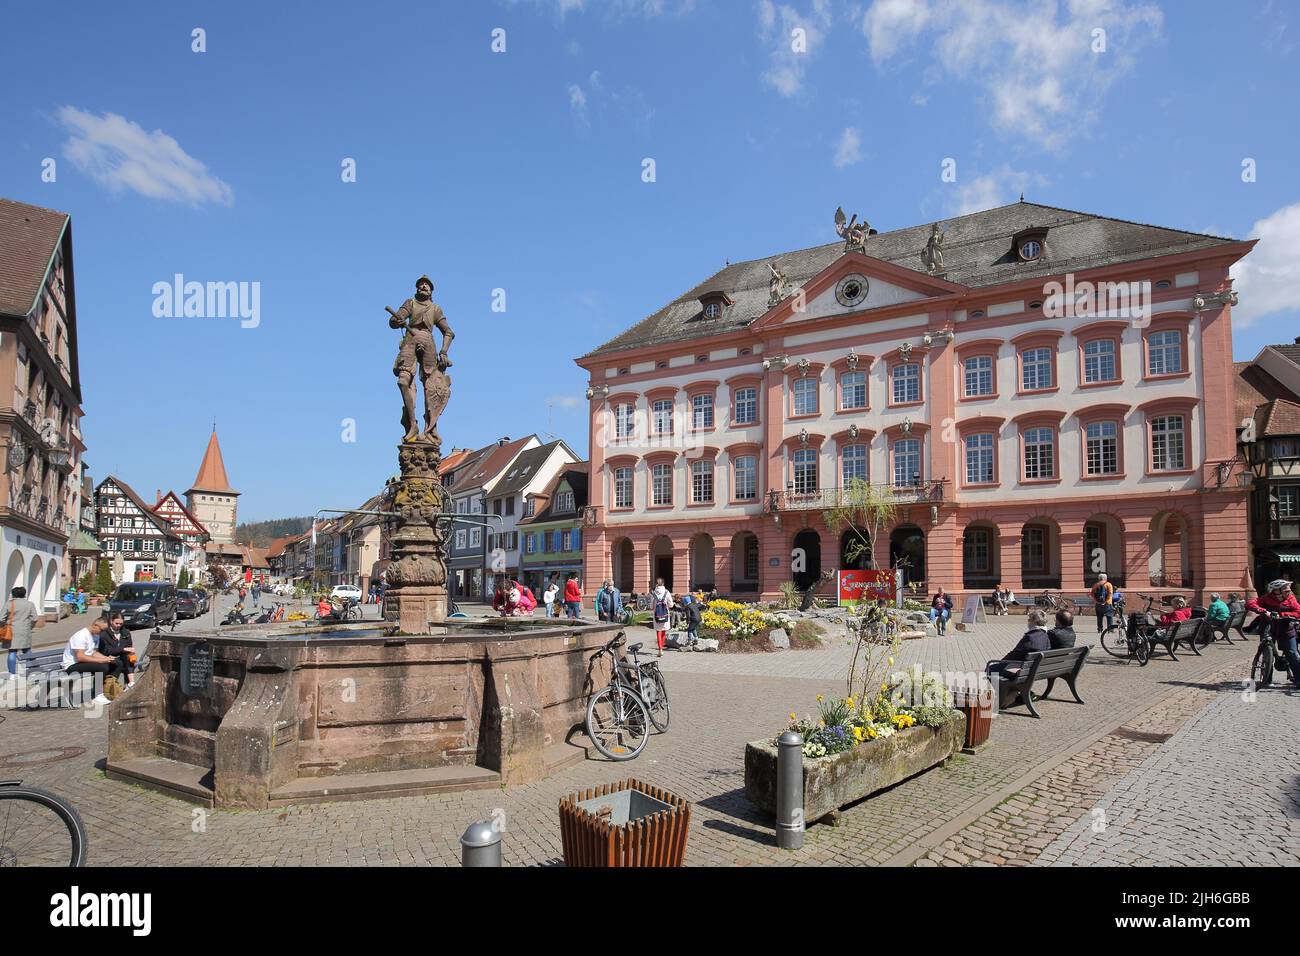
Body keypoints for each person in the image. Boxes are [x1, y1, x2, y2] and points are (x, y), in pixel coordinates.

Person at [1246, 580, 1300, 686]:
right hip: (1268, 628)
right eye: (1286, 590)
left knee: (1293, 653)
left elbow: (1298, 611)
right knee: (1267, 653)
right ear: (1277, 591)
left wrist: (1282, 614)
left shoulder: (1291, 599)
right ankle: (1267, 680)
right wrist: (1262, 610)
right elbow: (1250, 603)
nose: (1289, 592)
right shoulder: (1266, 598)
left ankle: (1298, 679)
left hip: (1286, 630)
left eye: (1289, 590)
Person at [986, 609, 1052, 693]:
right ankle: (1011, 693)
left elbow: (1014, 654)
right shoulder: (1045, 635)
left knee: (990, 668)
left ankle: (1003, 695)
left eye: (1029, 619)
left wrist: (1001, 662)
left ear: (1034, 622)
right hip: (1036, 669)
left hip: (1023, 671)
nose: (1028, 622)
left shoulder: (1030, 637)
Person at [61, 617, 121, 706]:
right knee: (101, 666)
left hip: (83, 663)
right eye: (101, 630)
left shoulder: (95, 635)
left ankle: (109, 689)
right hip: (72, 665)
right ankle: (97, 695)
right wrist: (102, 660)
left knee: (117, 663)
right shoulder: (81, 635)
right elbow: (80, 657)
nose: (102, 633)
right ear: (94, 625)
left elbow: (93, 652)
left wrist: (107, 658)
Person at [0, 586, 38, 684]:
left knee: (12, 651)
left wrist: (3, 626)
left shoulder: (9, 604)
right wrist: (29, 626)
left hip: (11, 630)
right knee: (27, 650)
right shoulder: (30, 604)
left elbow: (1, 618)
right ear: (24, 594)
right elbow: (35, 618)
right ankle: (32, 671)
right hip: (25, 630)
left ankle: (12, 674)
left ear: (13, 594)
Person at [98, 611, 136, 687]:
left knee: (129, 658)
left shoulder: (125, 632)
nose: (119, 625)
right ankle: (112, 686)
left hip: (122, 657)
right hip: (107, 657)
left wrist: (129, 651)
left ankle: (131, 684)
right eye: (117, 623)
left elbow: (129, 646)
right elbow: (105, 650)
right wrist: (123, 649)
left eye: (121, 624)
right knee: (119, 663)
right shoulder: (104, 633)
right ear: (111, 621)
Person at [651, 578, 673, 657]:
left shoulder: (654, 593)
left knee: (658, 631)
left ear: (656, 584)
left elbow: (651, 606)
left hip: (657, 614)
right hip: (665, 614)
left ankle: (660, 649)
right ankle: (662, 648)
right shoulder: (667, 592)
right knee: (663, 631)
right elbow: (671, 604)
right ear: (663, 583)